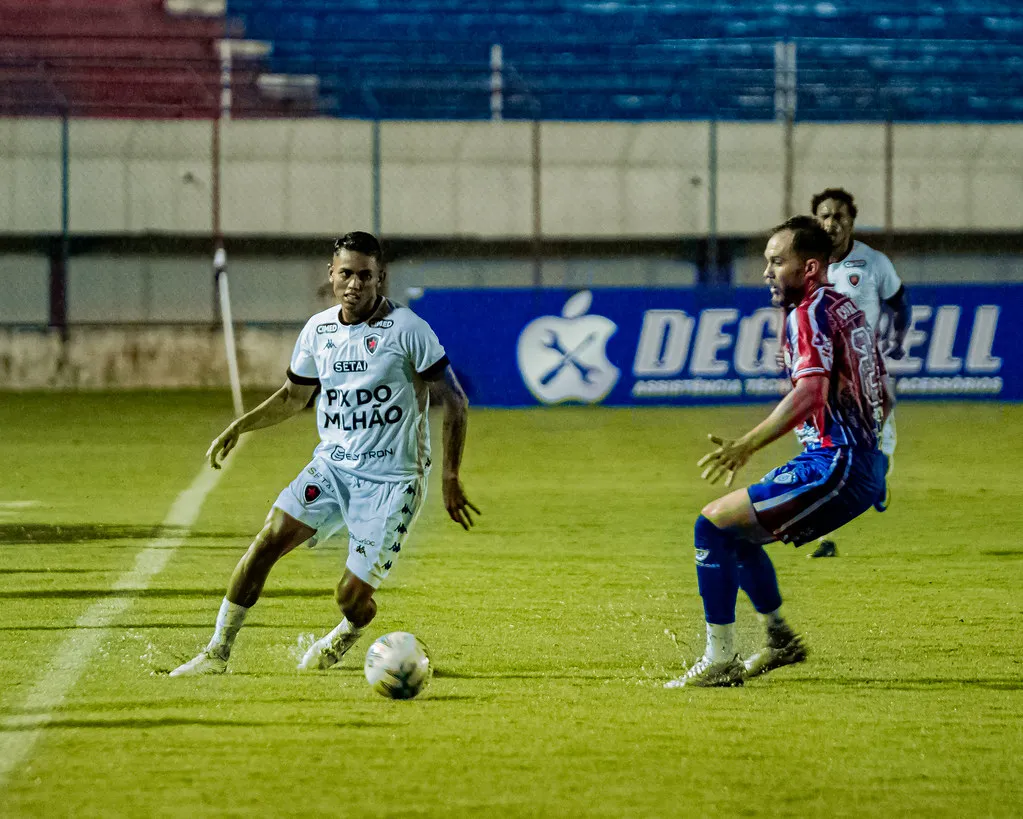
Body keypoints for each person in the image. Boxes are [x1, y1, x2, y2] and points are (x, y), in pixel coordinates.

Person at [170, 231, 480, 676]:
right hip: (333, 469)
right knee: (267, 540)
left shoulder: (409, 330)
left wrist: (450, 477)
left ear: (381, 279)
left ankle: (345, 635)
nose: (354, 284)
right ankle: (216, 653)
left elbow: (455, 399)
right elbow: (294, 397)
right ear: (331, 275)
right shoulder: (319, 330)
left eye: (365, 276)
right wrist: (243, 425)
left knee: (350, 598)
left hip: (392, 484)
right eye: (346, 274)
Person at [665, 216, 890, 688]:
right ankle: (779, 638)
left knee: (710, 524)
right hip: (855, 463)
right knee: (736, 535)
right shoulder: (845, 309)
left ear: (808, 268)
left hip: (836, 462)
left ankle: (720, 659)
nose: (766, 272)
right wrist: (875, 459)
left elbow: (810, 394)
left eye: (775, 261)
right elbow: (880, 394)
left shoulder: (806, 314)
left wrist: (746, 445)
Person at [808, 187, 909, 558]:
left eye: (839, 216)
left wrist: (897, 338)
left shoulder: (873, 262)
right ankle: (825, 537)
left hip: (866, 368)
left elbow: (900, 301)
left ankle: (878, 476)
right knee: (821, 448)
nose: (831, 223)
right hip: (822, 371)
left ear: (851, 220)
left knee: (879, 439)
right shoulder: (808, 263)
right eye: (825, 216)